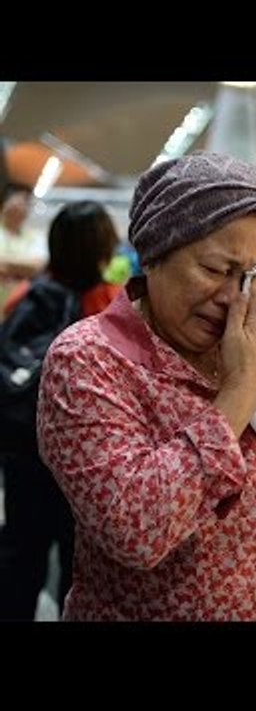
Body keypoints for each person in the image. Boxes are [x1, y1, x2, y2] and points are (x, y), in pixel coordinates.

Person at [36, 151, 256, 621]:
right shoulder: (89, 360)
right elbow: (136, 533)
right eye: (215, 269)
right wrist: (238, 395)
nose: (232, 297)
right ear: (154, 255)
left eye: (252, 276)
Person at [0, 201, 121, 619]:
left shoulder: (26, 296)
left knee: (19, 556)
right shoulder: (109, 308)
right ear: (103, 248)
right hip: (86, 465)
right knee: (80, 566)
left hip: (21, 451)